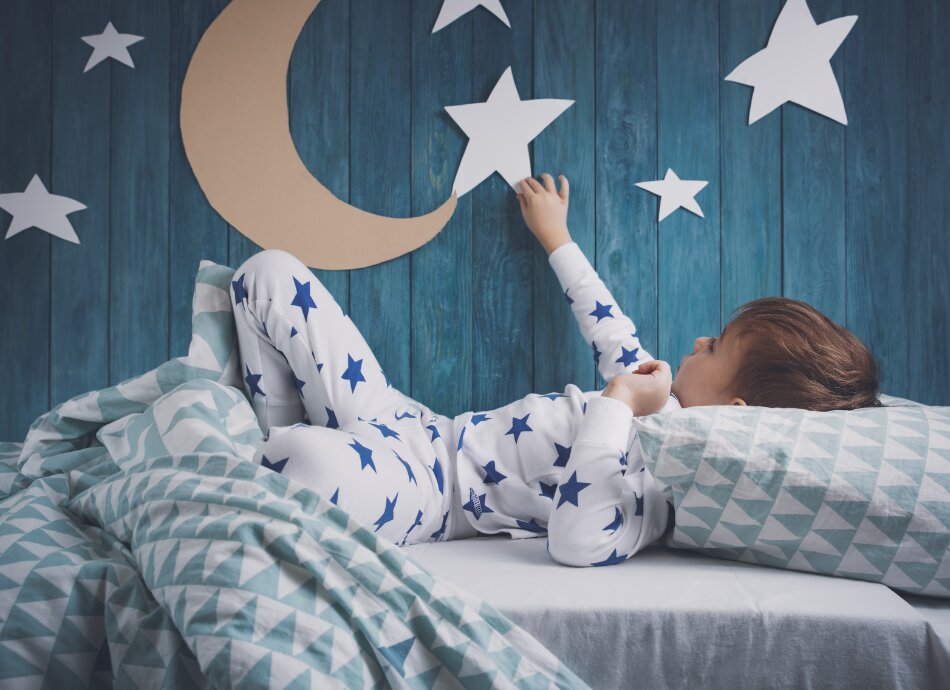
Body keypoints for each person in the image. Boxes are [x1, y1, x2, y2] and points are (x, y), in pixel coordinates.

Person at [230, 173, 882, 566]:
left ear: (734, 414)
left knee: (301, 461)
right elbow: (607, 323)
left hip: (427, 493)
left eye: (716, 349)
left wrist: (619, 401)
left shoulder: (662, 492)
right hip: (414, 426)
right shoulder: (658, 393)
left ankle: (275, 450)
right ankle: (280, 431)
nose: (699, 340)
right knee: (267, 273)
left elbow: (578, 542)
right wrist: (556, 236)